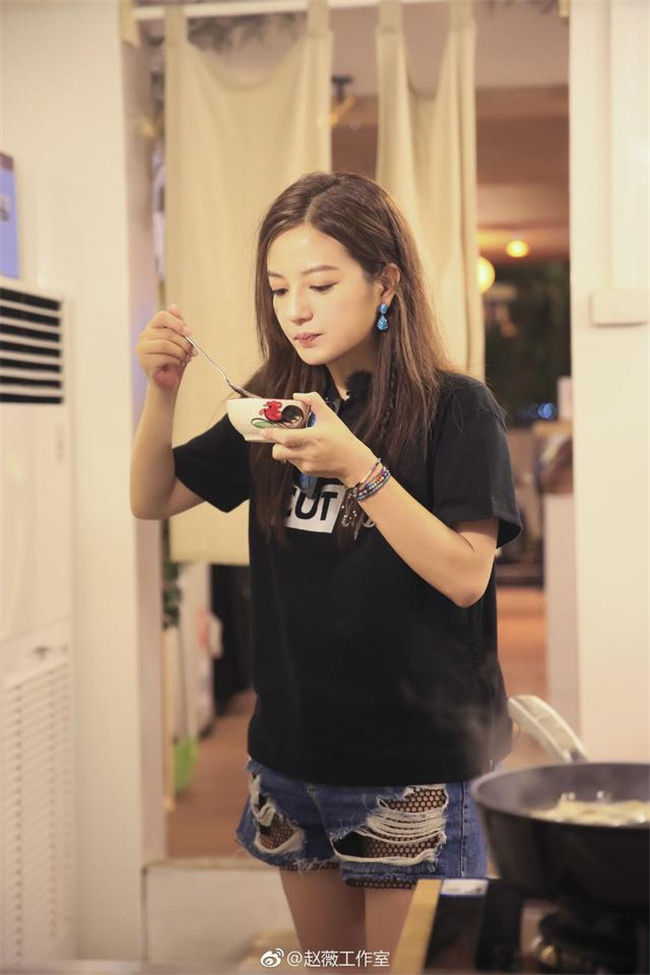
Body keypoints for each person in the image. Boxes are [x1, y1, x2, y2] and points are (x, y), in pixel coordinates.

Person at [131, 172, 522, 971]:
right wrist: (161, 393)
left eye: (320, 284)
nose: (296, 310)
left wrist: (360, 468)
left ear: (386, 283)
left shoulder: (456, 409)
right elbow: (153, 496)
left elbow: (466, 575)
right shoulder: (276, 404)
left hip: (412, 764)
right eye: (279, 289)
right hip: (293, 754)